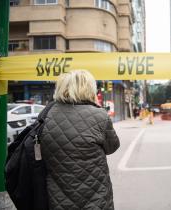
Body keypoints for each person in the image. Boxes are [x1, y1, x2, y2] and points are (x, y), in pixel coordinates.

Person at [40, 70, 120, 210]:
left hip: (56, 198)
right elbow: (112, 146)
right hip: (95, 198)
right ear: (89, 89)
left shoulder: (46, 114)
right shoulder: (99, 115)